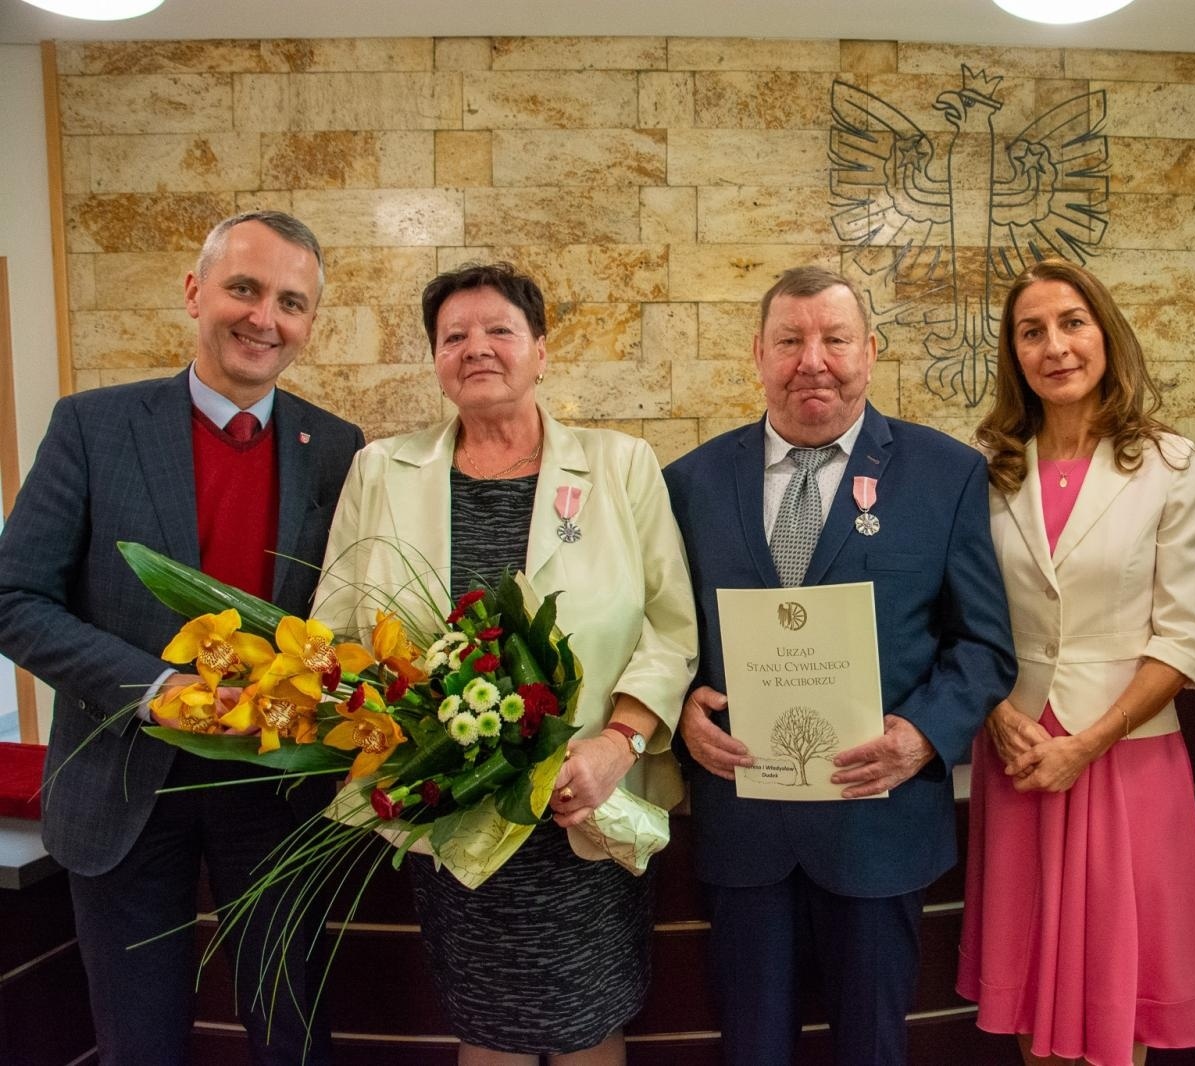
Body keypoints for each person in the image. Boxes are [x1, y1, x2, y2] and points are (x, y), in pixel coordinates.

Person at [0, 211, 363, 1065]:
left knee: (294, 1033)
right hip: (123, 780)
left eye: (290, 302)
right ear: (196, 291)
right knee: (140, 1039)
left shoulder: (337, 448)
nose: (263, 318)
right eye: (243, 288)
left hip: (276, 790)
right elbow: (14, 596)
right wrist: (158, 690)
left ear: (309, 323)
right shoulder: (91, 427)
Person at [312, 262, 697, 1066]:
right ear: (436, 360)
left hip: (584, 806)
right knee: (484, 1022)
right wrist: (405, 734)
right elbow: (337, 630)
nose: (477, 348)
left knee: (590, 1017)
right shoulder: (382, 470)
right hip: (449, 814)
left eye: (499, 331)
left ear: (542, 351)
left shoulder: (621, 466)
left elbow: (670, 627)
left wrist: (616, 743)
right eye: (455, 336)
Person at [663, 265, 1016, 1066]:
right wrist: (682, 712)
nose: (811, 360)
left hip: (877, 822)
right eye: (789, 340)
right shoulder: (690, 483)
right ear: (757, 354)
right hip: (745, 823)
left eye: (835, 338)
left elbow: (986, 646)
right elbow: (665, 635)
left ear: (871, 351)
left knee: (871, 1049)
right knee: (750, 1048)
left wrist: (924, 736)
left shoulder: (945, 474)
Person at [957, 259, 1195, 1066]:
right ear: (1014, 353)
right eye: (1031, 331)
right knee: (1035, 986)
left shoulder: (1170, 465)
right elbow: (964, 613)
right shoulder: (990, 470)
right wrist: (1000, 713)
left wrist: (1088, 741)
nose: (1055, 346)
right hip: (1021, 754)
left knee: (1114, 992)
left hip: (1121, 754)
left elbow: (1182, 635)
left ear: (1105, 333)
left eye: (1072, 323)